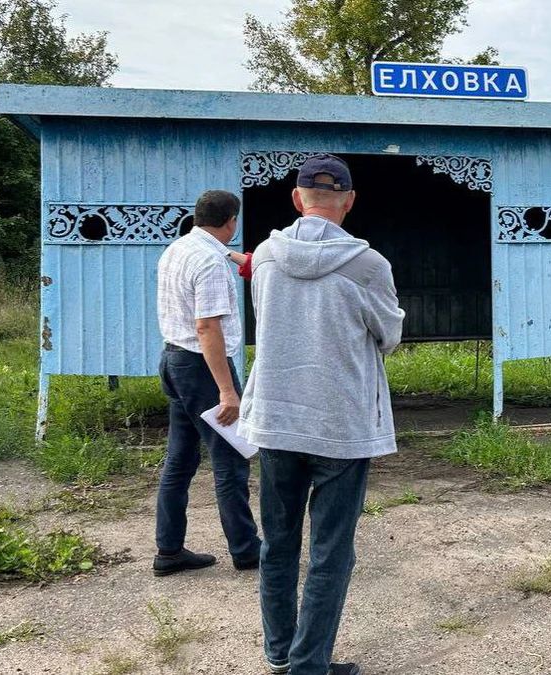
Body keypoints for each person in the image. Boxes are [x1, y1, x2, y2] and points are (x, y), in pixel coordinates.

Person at [238, 154, 404, 675]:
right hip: (342, 423)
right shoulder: (369, 265)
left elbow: (267, 321)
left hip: (277, 417)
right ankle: (311, 665)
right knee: (331, 552)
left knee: (279, 542)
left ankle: (281, 653)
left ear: (296, 199)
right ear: (349, 202)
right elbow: (390, 337)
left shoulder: (264, 255)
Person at [154, 189, 261, 576]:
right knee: (230, 458)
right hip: (202, 367)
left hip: (172, 360)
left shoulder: (180, 249)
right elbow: (207, 327)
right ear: (231, 221)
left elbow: (232, 258)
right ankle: (247, 549)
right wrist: (227, 390)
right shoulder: (210, 262)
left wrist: (239, 257)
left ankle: (169, 550)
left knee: (180, 462)